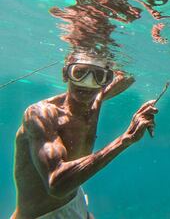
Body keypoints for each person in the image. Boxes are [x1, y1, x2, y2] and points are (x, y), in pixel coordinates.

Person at [11, 52, 158, 219]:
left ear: (106, 81)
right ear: (65, 74)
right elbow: (57, 185)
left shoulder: (94, 103)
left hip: (76, 201)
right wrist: (125, 140)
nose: (88, 83)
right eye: (79, 73)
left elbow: (129, 75)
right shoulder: (41, 114)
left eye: (98, 76)